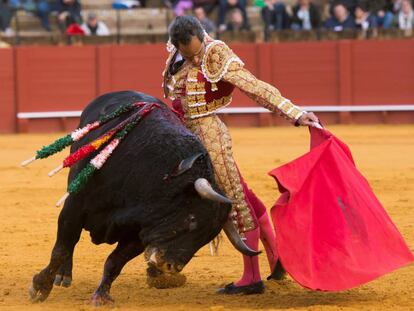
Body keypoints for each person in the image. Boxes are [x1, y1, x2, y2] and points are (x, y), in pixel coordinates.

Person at [163, 16, 319, 294]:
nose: (194, 57)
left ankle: (251, 278)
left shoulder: (216, 52)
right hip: (183, 134)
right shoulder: (176, 53)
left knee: (233, 199)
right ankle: (276, 258)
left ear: (202, 35)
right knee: (241, 191)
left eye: (196, 51)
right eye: (188, 53)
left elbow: (254, 87)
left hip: (209, 133)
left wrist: (294, 113)